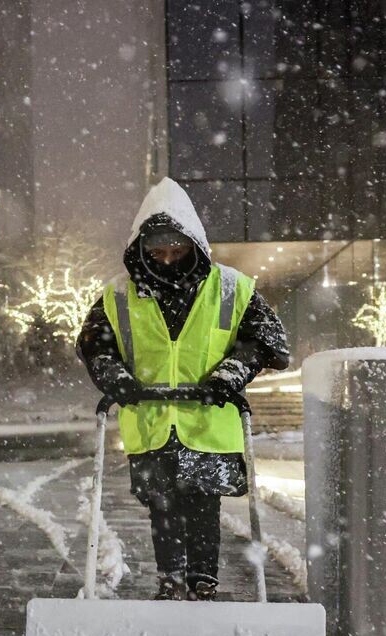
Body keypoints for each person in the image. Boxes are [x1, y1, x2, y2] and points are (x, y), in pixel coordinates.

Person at [77, 178, 289, 602]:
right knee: (163, 507)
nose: (169, 259)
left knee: (203, 507)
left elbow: (271, 343)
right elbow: (94, 346)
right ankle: (171, 581)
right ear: (141, 248)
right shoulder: (118, 295)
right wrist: (116, 378)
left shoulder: (231, 288)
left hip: (208, 421)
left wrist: (230, 374)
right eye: (158, 252)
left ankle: (202, 582)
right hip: (152, 421)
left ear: (194, 245)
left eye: (178, 250)